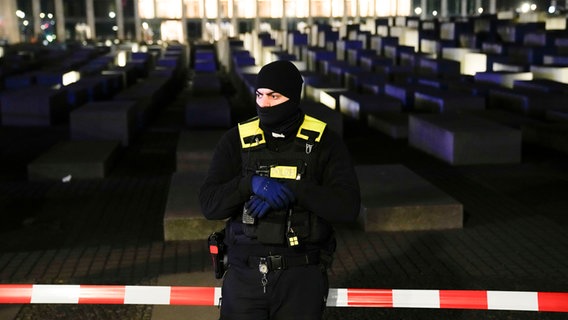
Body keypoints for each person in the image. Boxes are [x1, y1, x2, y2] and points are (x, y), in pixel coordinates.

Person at [199, 60, 361, 320]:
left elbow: (348, 207)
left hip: (301, 277)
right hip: (244, 278)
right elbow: (209, 205)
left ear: (293, 97)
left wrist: (296, 190)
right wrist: (249, 184)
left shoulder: (324, 142)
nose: (264, 104)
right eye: (260, 95)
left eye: (274, 96)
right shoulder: (235, 140)